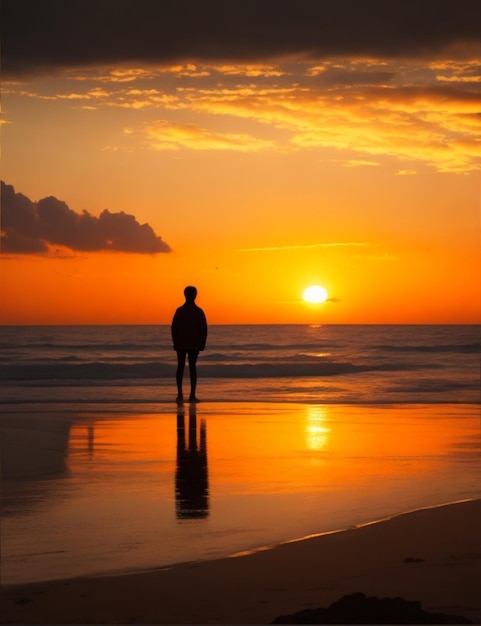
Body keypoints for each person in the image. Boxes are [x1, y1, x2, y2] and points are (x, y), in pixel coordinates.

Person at [171, 286, 208, 404]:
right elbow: (204, 330)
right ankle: (190, 395)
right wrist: (202, 343)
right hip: (192, 343)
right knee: (191, 367)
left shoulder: (180, 311)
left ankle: (181, 394)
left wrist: (175, 341)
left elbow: (174, 328)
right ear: (195, 295)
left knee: (181, 367)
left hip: (184, 343)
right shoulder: (198, 311)